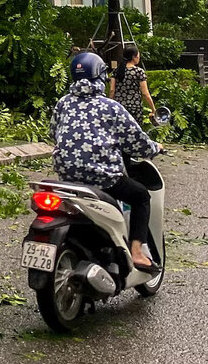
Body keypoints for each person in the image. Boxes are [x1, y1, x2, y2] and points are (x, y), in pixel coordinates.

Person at [52, 51, 163, 272]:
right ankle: (138, 253)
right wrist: (155, 148)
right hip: (102, 178)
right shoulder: (111, 107)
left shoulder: (63, 103)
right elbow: (136, 141)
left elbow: (54, 133)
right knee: (141, 196)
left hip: (67, 177)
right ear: (100, 76)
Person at [109, 44, 156, 126]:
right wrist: (153, 109)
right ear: (134, 57)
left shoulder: (116, 71)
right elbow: (145, 93)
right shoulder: (139, 72)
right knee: (134, 134)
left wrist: (110, 106)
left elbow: (112, 90)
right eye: (138, 55)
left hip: (119, 108)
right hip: (135, 108)